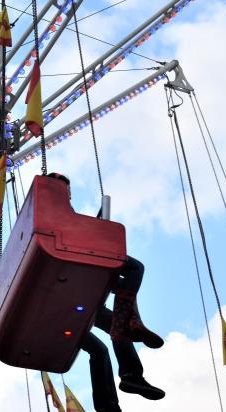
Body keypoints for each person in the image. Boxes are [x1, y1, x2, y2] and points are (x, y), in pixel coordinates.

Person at [46, 172, 164, 412]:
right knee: (133, 268)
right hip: (59, 296)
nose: (68, 196)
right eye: (65, 191)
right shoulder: (56, 216)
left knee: (101, 347)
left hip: (75, 295)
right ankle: (126, 327)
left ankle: (123, 386)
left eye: (69, 193)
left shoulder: (64, 217)